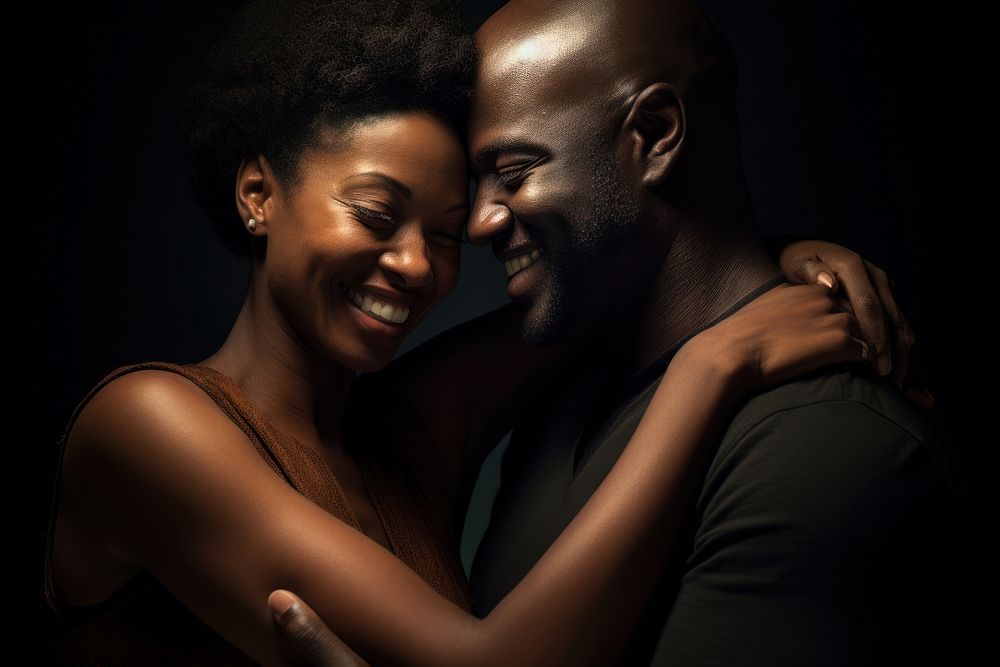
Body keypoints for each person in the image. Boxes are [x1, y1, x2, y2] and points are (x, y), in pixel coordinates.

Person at [43, 0, 917, 665]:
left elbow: (654, 276)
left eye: (448, 232)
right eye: (377, 212)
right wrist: (720, 364)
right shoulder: (149, 424)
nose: (419, 266)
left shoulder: (409, 429)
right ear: (257, 195)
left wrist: (786, 253)